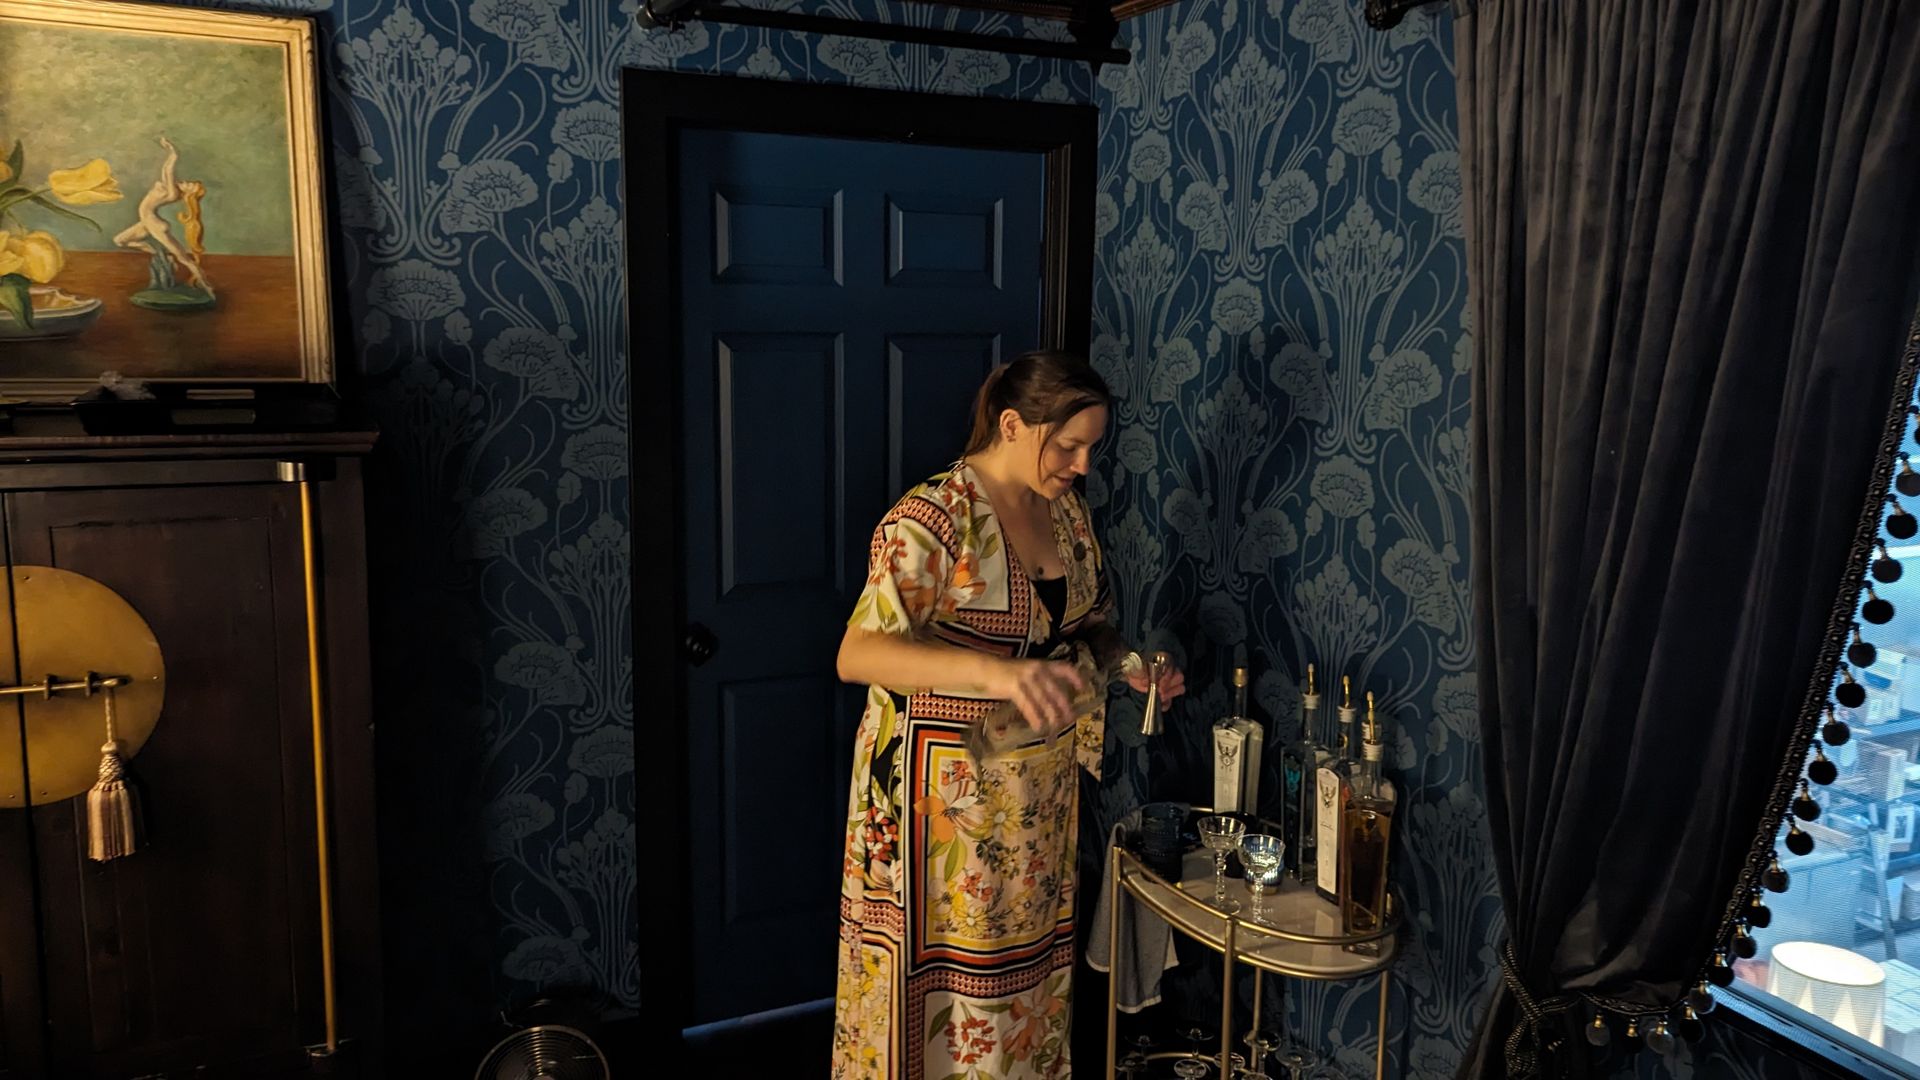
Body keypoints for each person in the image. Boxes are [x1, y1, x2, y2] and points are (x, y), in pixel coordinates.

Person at [831, 350, 1185, 1079]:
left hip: (1037, 806)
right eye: (1068, 446)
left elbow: (1089, 627)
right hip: (938, 807)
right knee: (941, 983)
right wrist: (997, 673)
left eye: (1091, 448)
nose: (1082, 465)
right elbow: (859, 653)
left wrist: (1130, 666)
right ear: (1013, 424)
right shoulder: (932, 519)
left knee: (1023, 983)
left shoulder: (1067, 515)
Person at [111, 136, 213, 296]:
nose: (188, 182)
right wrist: (170, 153)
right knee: (120, 240)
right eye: (191, 182)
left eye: (190, 185)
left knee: (184, 259)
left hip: (152, 222)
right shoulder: (171, 189)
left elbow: (168, 171)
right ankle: (163, 255)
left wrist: (173, 153)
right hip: (146, 222)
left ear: (188, 193)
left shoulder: (172, 193)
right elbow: (166, 172)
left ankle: (207, 287)